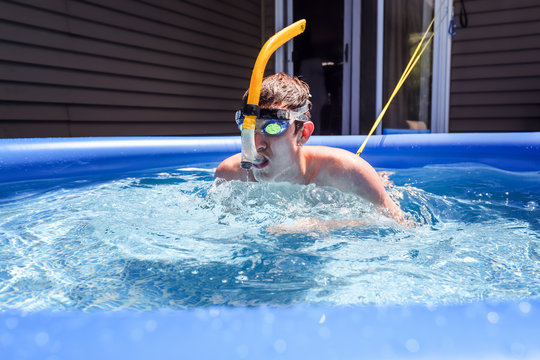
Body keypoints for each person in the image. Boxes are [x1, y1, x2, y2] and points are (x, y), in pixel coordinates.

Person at [215, 72, 405, 225]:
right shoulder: (230, 175)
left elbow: (398, 223)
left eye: (272, 127)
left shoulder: (348, 172)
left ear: (303, 134)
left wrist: (321, 224)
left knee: (383, 183)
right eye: (248, 127)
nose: (257, 144)